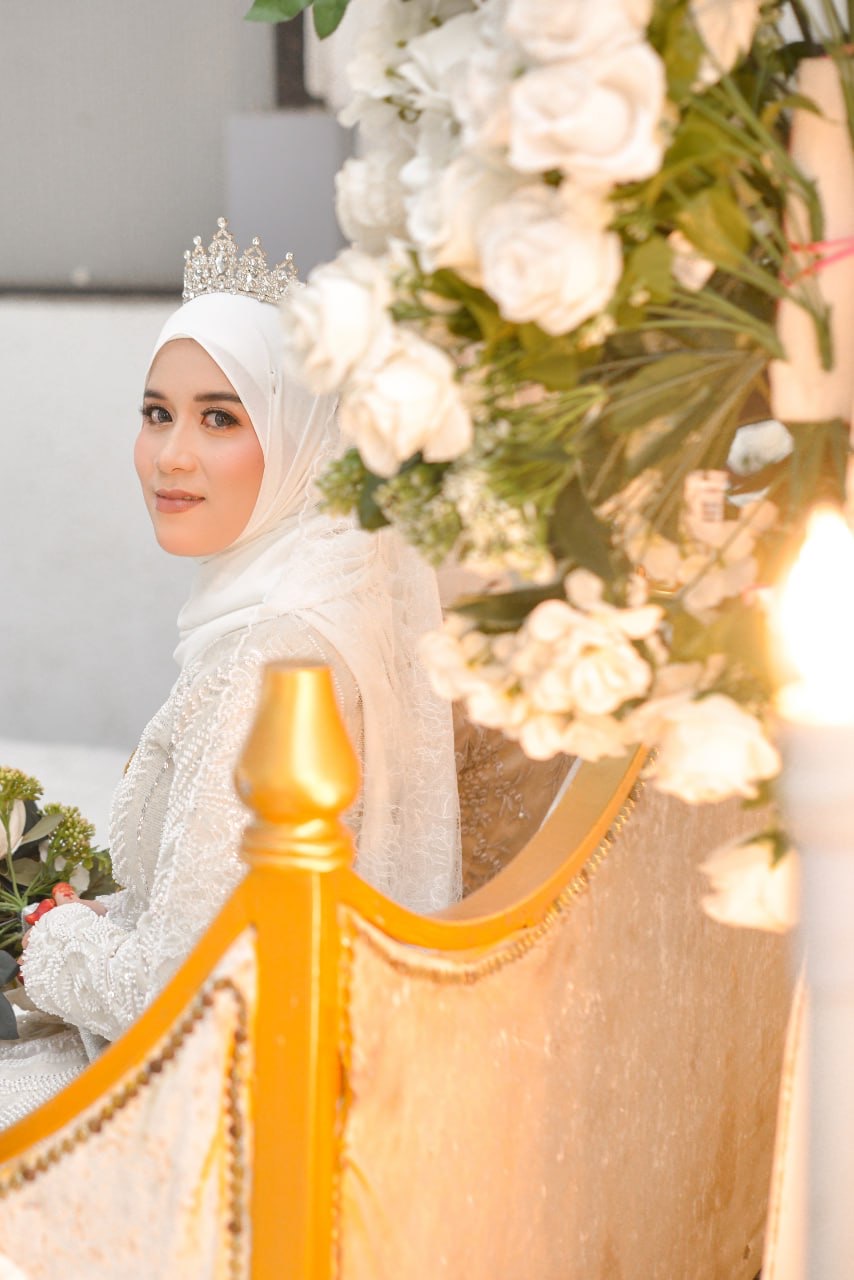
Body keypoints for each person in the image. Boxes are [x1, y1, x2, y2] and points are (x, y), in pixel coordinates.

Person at [0, 221, 461, 1129]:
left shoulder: (272, 657)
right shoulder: (307, 609)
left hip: (200, 1112)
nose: (172, 454)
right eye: (157, 413)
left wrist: (38, 931)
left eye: (220, 418)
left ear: (300, 438)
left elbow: (178, 990)